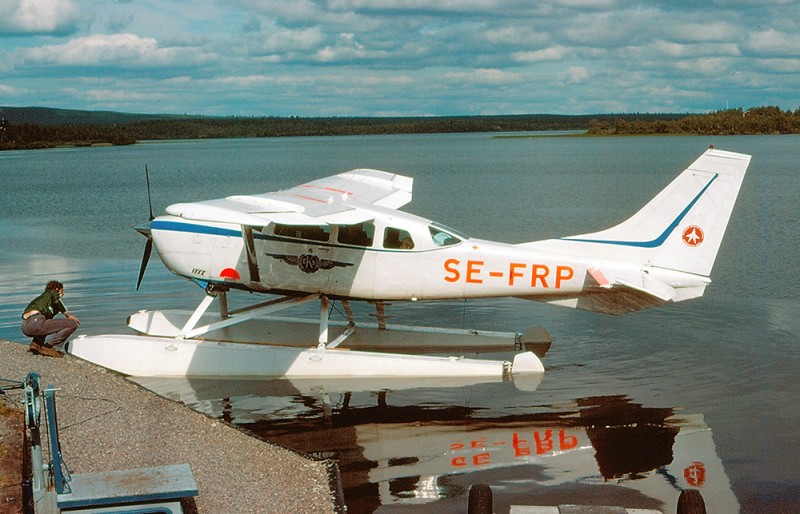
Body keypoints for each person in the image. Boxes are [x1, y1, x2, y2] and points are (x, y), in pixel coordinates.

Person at [21, 280, 81, 358]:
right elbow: (58, 301)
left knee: (47, 322)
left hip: (25, 326)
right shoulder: (51, 293)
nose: (63, 294)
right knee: (73, 324)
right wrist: (68, 315)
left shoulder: (42, 299)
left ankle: (36, 344)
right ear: (56, 289)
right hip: (36, 322)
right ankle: (49, 347)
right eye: (62, 291)